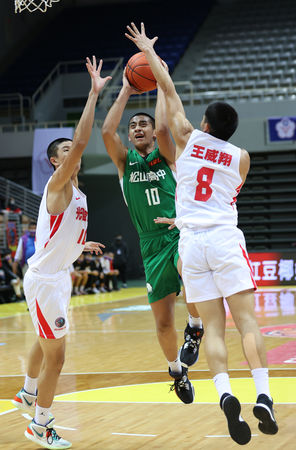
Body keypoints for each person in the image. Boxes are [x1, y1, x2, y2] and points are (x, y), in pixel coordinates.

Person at [125, 22, 278, 445]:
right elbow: (225, 196)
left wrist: (148, 52)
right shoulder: (242, 158)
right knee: (247, 320)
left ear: (205, 123)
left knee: (213, 329)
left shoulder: (189, 140)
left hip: (191, 244)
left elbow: (169, 90)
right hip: (225, 239)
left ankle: (225, 394)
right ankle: (263, 394)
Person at [12, 56, 111, 449]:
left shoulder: (78, 193)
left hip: (58, 276)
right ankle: (40, 424)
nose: (75, 152)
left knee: (44, 341)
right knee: (58, 358)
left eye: (74, 150)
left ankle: (27, 392)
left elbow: (61, 228)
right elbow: (83, 139)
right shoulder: (59, 183)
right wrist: (93, 94)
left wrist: (78, 244)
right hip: (45, 281)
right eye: (67, 150)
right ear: (56, 161)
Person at [101, 62, 203, 405]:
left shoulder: (166, 156)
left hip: (177, 234)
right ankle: (176, 370)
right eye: (134, 126)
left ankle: (195, 326)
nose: (139, 128)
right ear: (130, 136)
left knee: (190, 271)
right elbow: (105, 132)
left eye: (142, 123)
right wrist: (126, 91)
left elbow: (163, 127)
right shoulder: (123, 162)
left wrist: (159, 80)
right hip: (149, 245)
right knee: (162, 324)